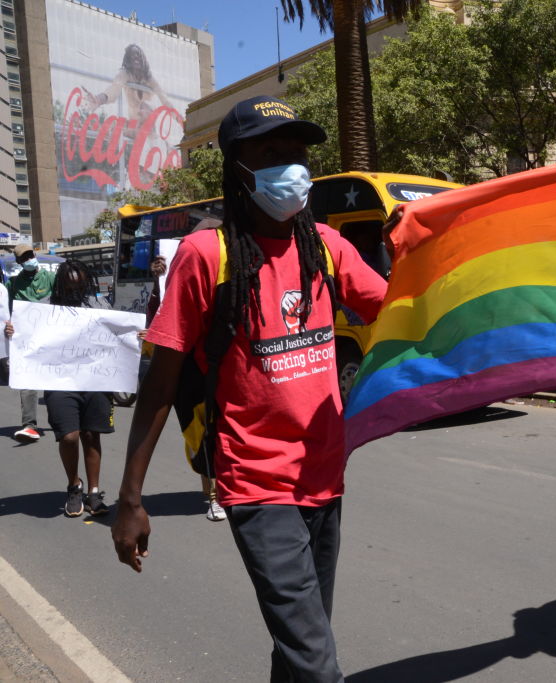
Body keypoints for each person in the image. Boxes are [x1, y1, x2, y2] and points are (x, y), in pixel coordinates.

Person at [111, 95, 387, 681]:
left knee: (300, 646)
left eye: (298, 153)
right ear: (237, 167)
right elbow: (160, 382)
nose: (292, 166)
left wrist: (426, 242)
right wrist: (130, 499)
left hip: (325, 475)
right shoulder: (205, 255)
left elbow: (401, 309)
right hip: (257, 482)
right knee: (317, 663)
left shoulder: (328, 249)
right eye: (272, 152)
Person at [7, 260, 114, 516]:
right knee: (69, 436)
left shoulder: (100, 306)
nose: (75, 290)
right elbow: (27, 337)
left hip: (95, 382)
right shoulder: (43, 310)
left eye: (80, 285)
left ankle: (94, 492)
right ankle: (74, 485)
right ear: (61, 285)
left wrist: (134, 336)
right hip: (60, 383)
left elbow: (115, 338)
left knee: (92, 435)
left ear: (87, 283)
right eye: (69, 286)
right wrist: (14, 331)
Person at [144, 254, 226, 522]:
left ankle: (230, 489)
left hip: (224, 363)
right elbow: (160, 315)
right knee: (202, 432)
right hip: (190, 370)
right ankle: (213, 495)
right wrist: (159, 281)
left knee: (226, 430)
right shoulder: (175, 282)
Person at [7, 243, 55, 443]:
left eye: (30, 255)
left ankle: (62, 421)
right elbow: (6, 314)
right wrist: (8, 327)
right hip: (26, 343)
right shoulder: (13, 285)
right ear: (18, 262)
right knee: (27, 384)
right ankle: (29, 426)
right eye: (23, 258)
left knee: (55, 383)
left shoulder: (51, 278)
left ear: (35, 255)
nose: (28, 260)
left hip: (52, 340)